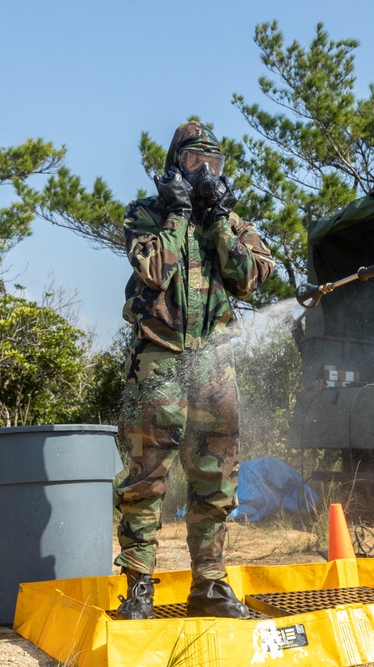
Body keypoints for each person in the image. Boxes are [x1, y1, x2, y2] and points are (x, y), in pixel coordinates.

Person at [113, 121, 275, 620]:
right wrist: (180, 213)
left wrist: (218, 218)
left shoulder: (229, 220)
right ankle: (139, 587)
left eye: (214, 164)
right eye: (193, 162)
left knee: (216, 478)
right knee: (145, 477)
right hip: (158, 357)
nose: (204, 172)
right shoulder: (146, 214)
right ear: (172, 166)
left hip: (214, 363)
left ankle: (208, 586)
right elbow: (153, 270)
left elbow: (252, 276)